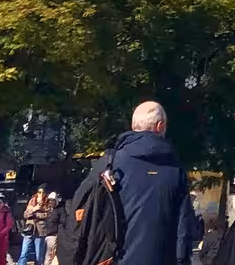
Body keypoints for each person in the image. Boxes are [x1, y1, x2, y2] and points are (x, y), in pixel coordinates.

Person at [75, 101, 198, 265]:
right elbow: (183, 229)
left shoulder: (109, 163)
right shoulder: (175, 172)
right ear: (160, 126)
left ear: (133, 126)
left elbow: (83, 212)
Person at [20, 191, 51, 265]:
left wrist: (36, 214)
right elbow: (25, 214)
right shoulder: (31, 201)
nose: (40, 194)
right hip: (29, 230)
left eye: (43, 192)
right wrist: (34, 209)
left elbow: (48, 215)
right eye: (39, 192)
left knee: (38, 256)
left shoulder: (47, 202)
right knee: (24, 253)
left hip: (40, 231)